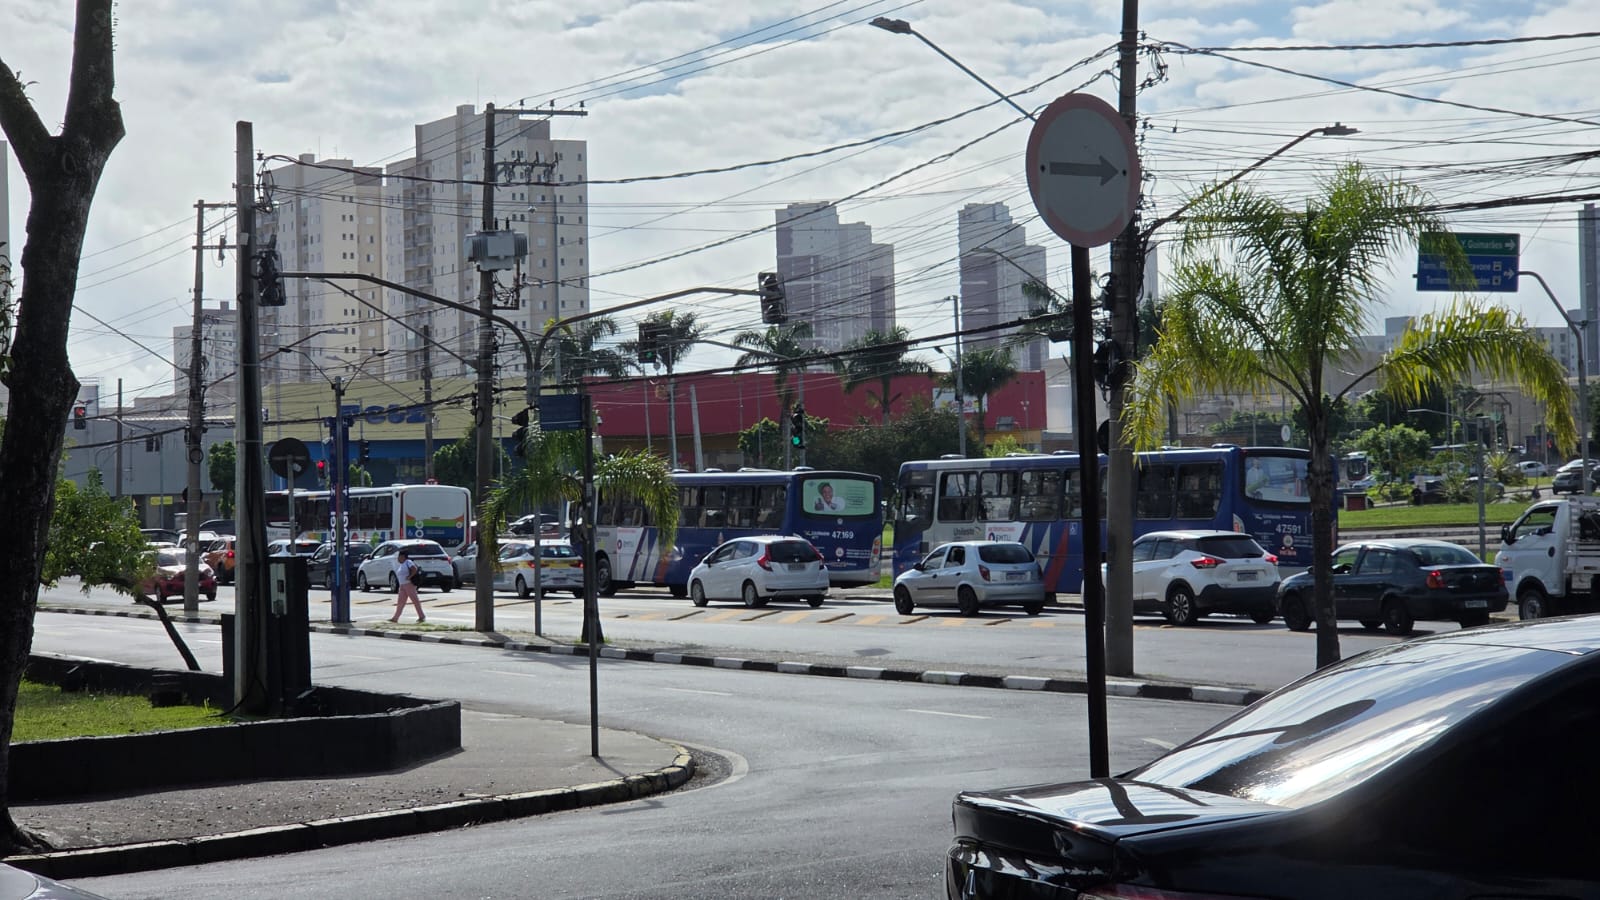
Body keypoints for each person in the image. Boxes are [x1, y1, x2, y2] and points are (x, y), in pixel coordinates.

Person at [389, 549, 425, 624]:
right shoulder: (402, 564)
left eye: (399, 557)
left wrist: (409, 576)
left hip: (409, 585)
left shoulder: (408, 562)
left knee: (415, 600)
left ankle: (421, 616)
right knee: (400, 602)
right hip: (402, 586)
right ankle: (395, 618)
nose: (398, 559)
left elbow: (414, 569)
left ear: (402, 556)